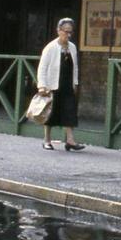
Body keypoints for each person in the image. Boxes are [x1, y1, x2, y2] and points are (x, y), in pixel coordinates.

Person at [37, 18, 85, 152]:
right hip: (52, 85)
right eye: (66, 32)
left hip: (67, 84)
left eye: (71, 32)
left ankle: (70, 140)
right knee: (50, 113)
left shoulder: (73, 47)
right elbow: (42, 67)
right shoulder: (50, 47)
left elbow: (75, 67)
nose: (68, 35)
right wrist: (42, 85)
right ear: (59, 31)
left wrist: (75, 83)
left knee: (69, 111)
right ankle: (47, 140)